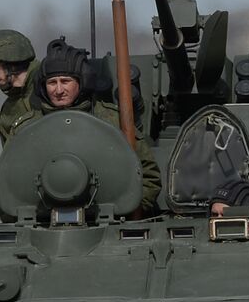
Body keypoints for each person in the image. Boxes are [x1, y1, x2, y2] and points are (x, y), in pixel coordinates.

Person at [12, 38, 162, 214]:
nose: (58, 90)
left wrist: (133, 209)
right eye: (52, 83)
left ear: (82, 81)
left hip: (110, 221)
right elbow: (6, 180)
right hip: (42, 224)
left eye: (65, 81)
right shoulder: (28, 127)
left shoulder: (112, 120)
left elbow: (148, 174)